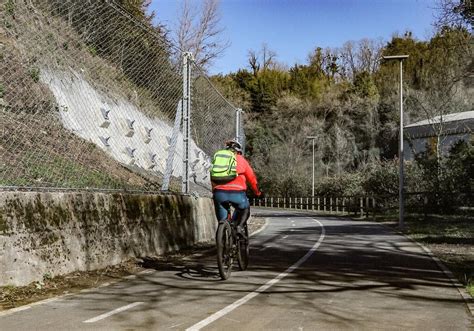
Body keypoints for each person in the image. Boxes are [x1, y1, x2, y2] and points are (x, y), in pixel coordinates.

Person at [212, 139, 261, 237]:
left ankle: (221, 244)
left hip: (219, 193)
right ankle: (239, 226)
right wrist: (257, 193)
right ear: (239, 151)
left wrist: (214, 190)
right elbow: (252, 178)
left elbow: (212, 175)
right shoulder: (241, 160)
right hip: (237, 193)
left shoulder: (220, 159)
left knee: (222, 221)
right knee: (245, 209)